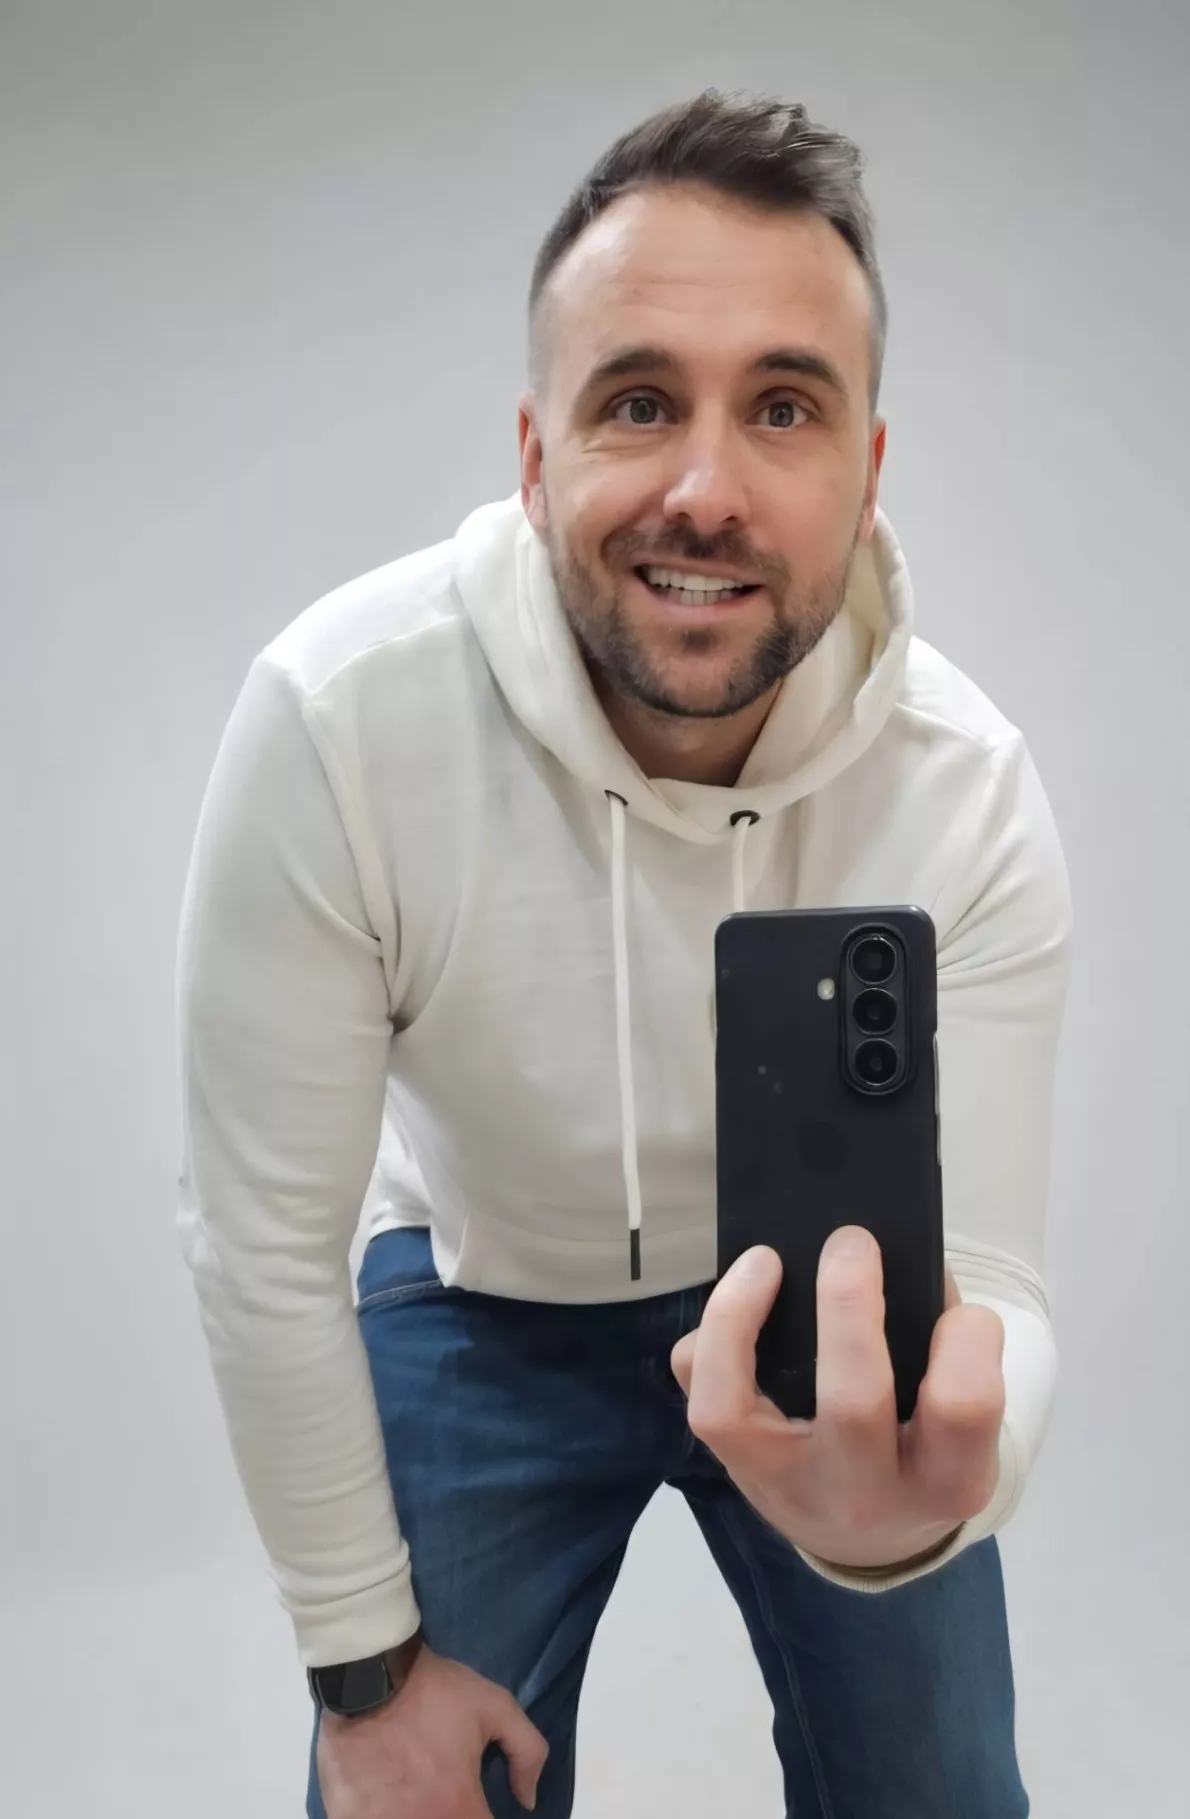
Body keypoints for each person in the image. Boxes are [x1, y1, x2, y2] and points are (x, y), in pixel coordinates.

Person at [176, 88, 1071, 1819]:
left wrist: (941, 1492)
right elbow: (262, 1242)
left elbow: (998, 1285)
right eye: (640, 401)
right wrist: (363, 1676)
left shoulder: (964, 788)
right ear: (535, 456)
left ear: (868, 471)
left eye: (785, 407)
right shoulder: (337, 722)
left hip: (813, 1312)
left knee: (949, 1794)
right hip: (479, 1288)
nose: (705, 490)